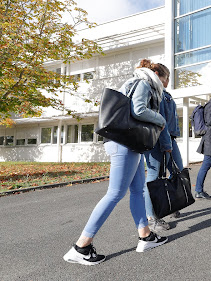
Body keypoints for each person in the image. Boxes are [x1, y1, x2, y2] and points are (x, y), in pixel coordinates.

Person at [63, 59, 169, 265]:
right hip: (124, 144)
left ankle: (146, 236)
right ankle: (81, 247)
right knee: (115, 194)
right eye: (166, 80)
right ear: (158, 74)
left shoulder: (136, 82)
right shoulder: (144, 83)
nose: (165, 85)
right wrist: (161, 120)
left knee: (138, 190)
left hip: (128, 144)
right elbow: (138, 110)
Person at [143, 64, 183, 231]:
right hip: (157, 139)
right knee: (153, 176)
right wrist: (166, 143)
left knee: (177, 170)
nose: (168, 82)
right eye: (167, 78)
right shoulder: (154, 92)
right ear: (158, 75)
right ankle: (151, 218)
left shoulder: (163, 93)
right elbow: (160, 121)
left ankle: (170, 205)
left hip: (168, 138)